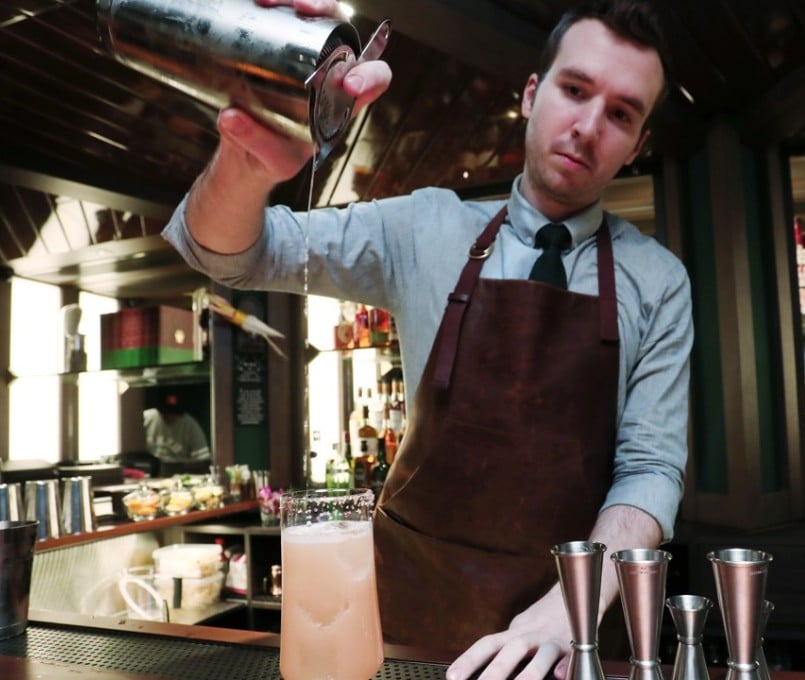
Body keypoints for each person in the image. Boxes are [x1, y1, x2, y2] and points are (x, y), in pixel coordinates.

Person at [163, 0, 692, 677]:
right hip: (408, 626)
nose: (588, 127)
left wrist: (569, 611)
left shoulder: (658, 281)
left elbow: (649, 470)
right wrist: (247, 155)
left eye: (621, 114)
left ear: (639, 143)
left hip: (572, 639)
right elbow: (230, 253)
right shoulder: (423, 228)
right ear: (532, 95)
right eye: (574, 89)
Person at [142, 388, 211, 465]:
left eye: (175, 413)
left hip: (178, 471)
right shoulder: (147, 417)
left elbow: (203, 460)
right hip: (148, 470)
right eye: (167, 412)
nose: (170, 416)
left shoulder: (190, 425)